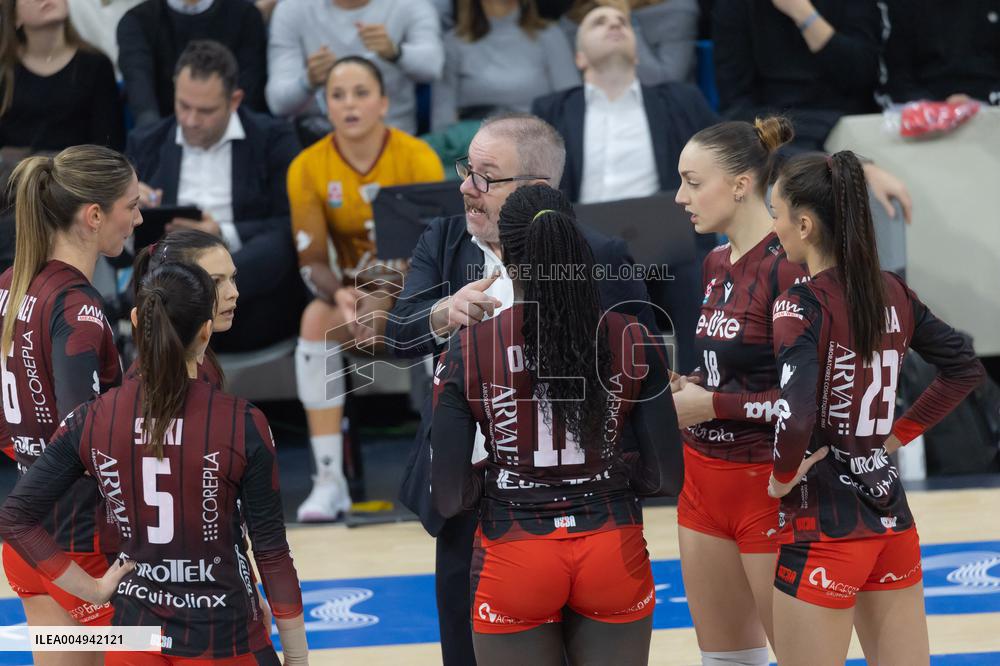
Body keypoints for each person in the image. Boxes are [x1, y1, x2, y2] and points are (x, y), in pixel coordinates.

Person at [385, 112, 656, 666]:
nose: (467, 187)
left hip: (585, 503)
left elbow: (639, 376)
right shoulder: (444, 238)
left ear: (536, 188)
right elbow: (396, 336)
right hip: (465, 494)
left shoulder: (599, 254)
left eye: (486, 176)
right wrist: (443, 313)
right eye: (466, 170)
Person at [0, 261, 309, 665]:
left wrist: (93, 589)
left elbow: (15, 518)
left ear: (135, 320)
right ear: (205, 330)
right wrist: (298, 658)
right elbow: (271, 553)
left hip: (135, 640)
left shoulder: (93, 418)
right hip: (222, 638)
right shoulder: (242, 421)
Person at [431, 184, 683, 664]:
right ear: (575, 245)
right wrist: (606, 472)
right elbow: (665, 478)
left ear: (505, 256)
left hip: (515, 550)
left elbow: (449, 496)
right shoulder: (633, 338)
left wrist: (505, 476)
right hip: (612, 546)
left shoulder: (467, 349)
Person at [766, 150, 985, 665]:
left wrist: (780, 476)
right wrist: (898, 436)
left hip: (823, 525)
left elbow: (796, 413)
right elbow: (964, 367)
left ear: (804, 224)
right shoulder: (892, 291)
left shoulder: (798, 304)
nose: (773, 229)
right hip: (891, 519)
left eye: (776, 215)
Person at [287, 55, 445, 522]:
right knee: (314, 320)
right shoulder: (307, 166)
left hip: (416, 293)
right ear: (325, 106)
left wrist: (387, 295)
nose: (349, 104)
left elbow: (437, 248)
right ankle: (329, 479)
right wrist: (339, 294)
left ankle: (446, 464)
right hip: (351, 298)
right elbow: (312, 259)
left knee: (450, 314)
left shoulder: (416, 156)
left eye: (361, 93)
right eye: (337, 96)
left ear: (384, 102)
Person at [0, 145, 140, 666]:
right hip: (83, 547)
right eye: (131, 206)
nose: (138, 219)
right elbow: (84, 435)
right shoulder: (78, 309)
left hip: (30, 544)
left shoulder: (8, 287)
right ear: (94, 215)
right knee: (173, 648)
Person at [532, 3, 717, 372]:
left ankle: (701, 388)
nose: (614, 23)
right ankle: (605, 398)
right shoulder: (551, 110)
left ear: (636, 51)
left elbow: (727, 158)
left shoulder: (679, 100)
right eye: (599, 22)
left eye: (622, 21)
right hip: (587, 255)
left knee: (694, 273)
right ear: (579, 57)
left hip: (673, 251)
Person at [126, 40, 307, 353]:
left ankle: (198, 291)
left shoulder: (273, 139)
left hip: (250, 292)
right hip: (167, 286)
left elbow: (290, 224)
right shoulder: (146, 142)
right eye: (184, 106)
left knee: (278, 245)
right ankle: (191, 292)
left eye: (206, 111)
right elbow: (119, 251)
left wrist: (220, 234)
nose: (191, 120)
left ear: (234, 100)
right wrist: (126, 210)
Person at [712, 0, 881, 150]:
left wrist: (803, 14)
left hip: (844, 123)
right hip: (772, 129)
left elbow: (862, 76)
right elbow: (735, 100)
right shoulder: (736, 5)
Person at [266, 0, 443, 137]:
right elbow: (278, 103)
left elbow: (433, 68)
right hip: (315, 140)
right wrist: (308, 81)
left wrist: (396, 53)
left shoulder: (411, 4)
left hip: (394, 135)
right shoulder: (292, 9)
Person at [431, 0, 580, 131]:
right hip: (474, 146)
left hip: (538, 145)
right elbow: (442, 123)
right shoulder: (452, 44)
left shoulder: (550, 36)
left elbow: (571, 108)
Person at [117, 0, 268, 127]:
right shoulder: (136, 21)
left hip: (231, 135)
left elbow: (249, 98)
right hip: (162, 139)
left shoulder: (246, 16)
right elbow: (143, 104)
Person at [0, 0, 124, 152]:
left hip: (81, 166)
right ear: (15, 17)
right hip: (15, 166)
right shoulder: (4, 69)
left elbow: (110, 144)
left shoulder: (96, 65)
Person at [879, 1, 1000, 107]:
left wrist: (986, 102)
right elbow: (897, 77)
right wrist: (935, 108)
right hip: (923, 107)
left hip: (991, 103)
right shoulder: (904, 5)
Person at [560, 0, 700, 86]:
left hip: (659, 112)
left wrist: (623, 18)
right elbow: (570, 89)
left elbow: (666, 86)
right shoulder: (577, 14)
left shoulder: (676, 8)